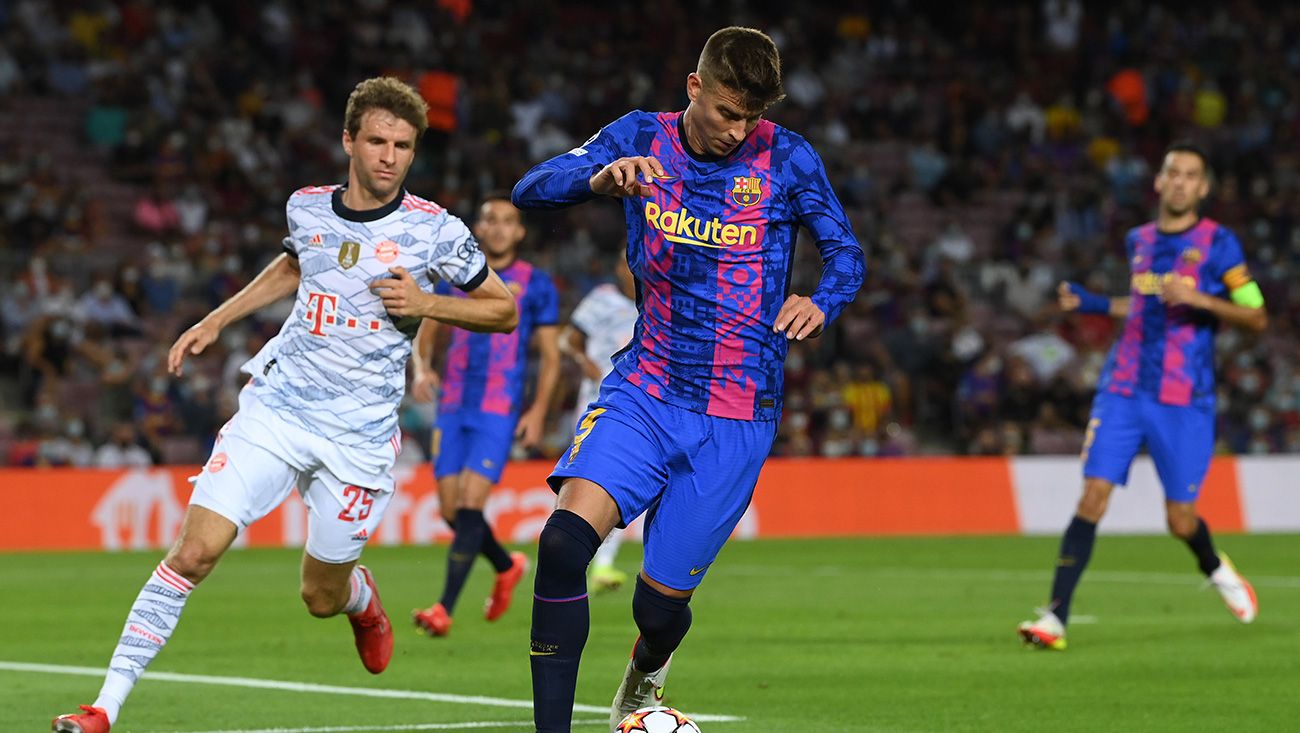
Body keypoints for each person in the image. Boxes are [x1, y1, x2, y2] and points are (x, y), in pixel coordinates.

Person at [53, 77, 518, 733]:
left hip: (357, 437)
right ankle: (105, 705)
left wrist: (428, 304)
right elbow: (295, 266)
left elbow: (503, 308)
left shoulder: (436, 230)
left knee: (319, 596)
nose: (389, 156)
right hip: (278, 408)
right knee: (193, 552)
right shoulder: (306, 207)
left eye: (404, 145)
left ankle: (361, 599)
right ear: (349, 140)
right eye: (378, 141)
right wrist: (216, 319)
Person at [511, 26, 865, 731]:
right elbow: (530, 189)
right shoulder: (640, 137)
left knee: (657, 611)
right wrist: (597, 178)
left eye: (751, 118)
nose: (738, 131)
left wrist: (820, 301)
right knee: (560, 545)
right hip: (645, 388)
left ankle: (645, 676)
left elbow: (847, 254)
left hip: (737, 413)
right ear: (694, 87)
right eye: (727, 111)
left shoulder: (787, 157)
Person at [1018, 142, 1266, 651]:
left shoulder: (1220, 244)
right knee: (1093, 495)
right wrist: (1091, 303)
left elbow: (1257, 313)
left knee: (1179, 520)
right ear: (1158, 181)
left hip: (1183, 396)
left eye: (1190, 175)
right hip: (1125, 387)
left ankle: (1216, 567)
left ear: (1202, 188)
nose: (1179, 182)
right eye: (1172, 172)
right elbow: (1141, 305)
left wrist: (1200, 297)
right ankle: (1055, 618)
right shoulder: (1140, 239)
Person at [409, 193, 560, 637]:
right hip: (452, 403)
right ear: (478, 226)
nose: (497, 228)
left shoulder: (535, 283)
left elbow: (550, 357)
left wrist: (537, 411)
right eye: (489, 219)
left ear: (520, 232)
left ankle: (443, 608)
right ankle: (506, 564)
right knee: (453, 512)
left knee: (472, 505)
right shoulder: (453, 276)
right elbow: (427, 327)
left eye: (507, 221)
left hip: (497, 406)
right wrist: (422, 368)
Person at [558, 254, 639, 593]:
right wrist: (585, 361)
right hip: (597, 403)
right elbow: (567, 339)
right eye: (626, 262)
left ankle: (602, 565)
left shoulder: (662, 300)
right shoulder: (603, 298)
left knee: (625, 486)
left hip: (639, 406)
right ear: (620, 267)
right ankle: (570, 553)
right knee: (587, 480)